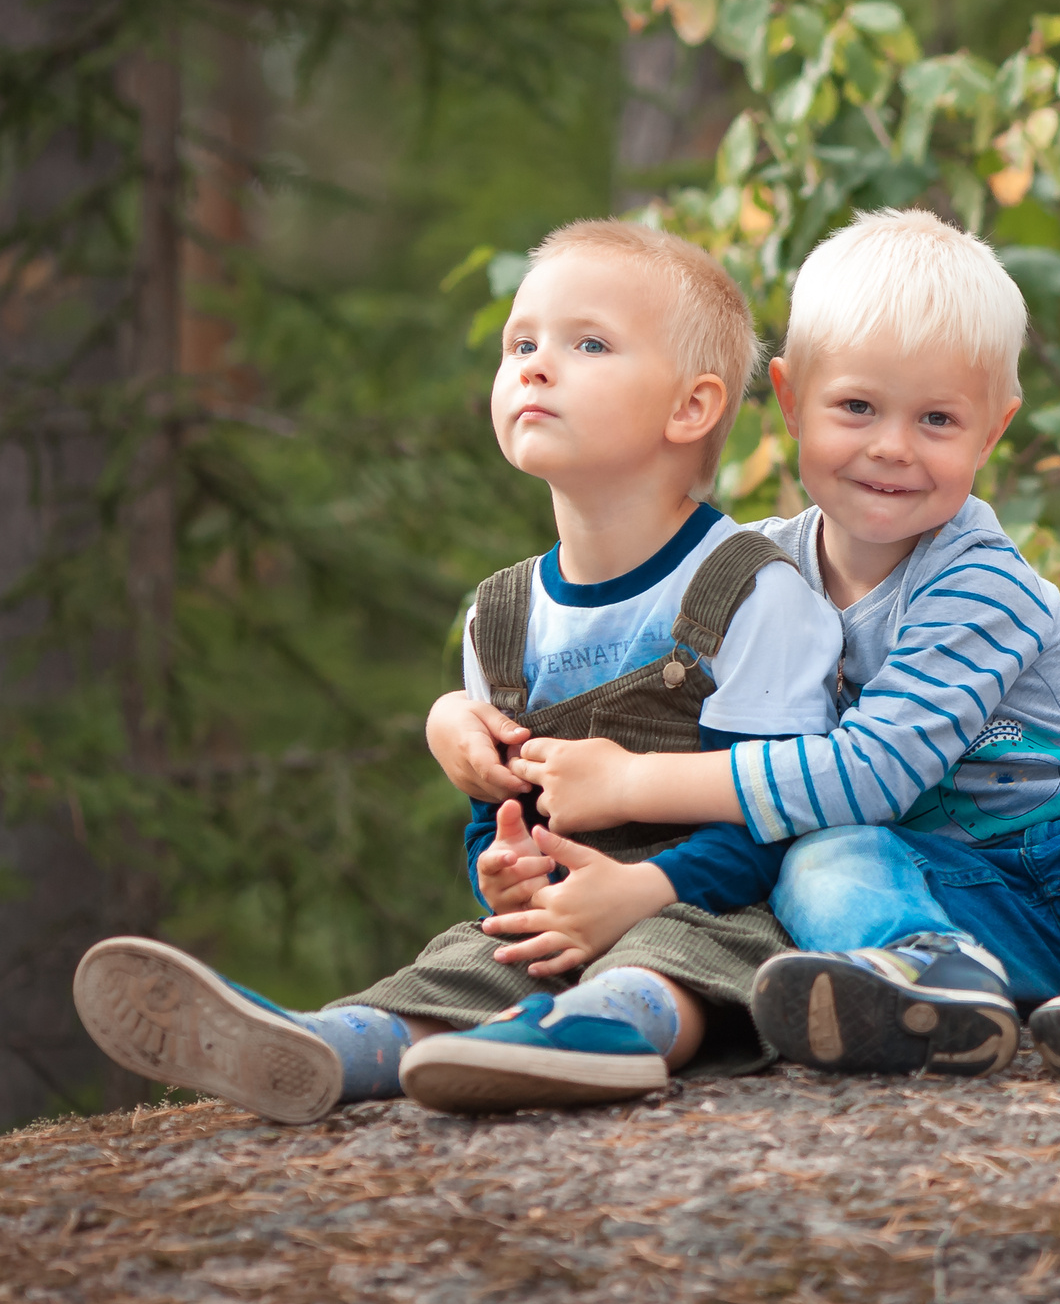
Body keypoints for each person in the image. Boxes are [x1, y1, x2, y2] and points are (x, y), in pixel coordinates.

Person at [429, 210, 1060, 1082]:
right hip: (964, 897)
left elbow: (874, 771)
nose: (892, 448)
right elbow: (615, 649)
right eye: (856, 406)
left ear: (993, 429)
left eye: (937, 420)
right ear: (788, 399)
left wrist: (631, 780)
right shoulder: (757, 573)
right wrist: (454, 720)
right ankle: (930, 975)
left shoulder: (980, 580)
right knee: (824, 856)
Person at [74, 220, 842, 1122]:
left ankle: (595, 1036)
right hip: (560, 910)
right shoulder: (503, 615)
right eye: (522, 342)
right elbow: (496, 814)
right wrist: (504, 870)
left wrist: (638, 890)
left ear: (692, 408)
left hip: (708, 895)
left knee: (669, 961)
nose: (535, 364)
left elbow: (774, 812)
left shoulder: (752, 590)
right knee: (465, 962)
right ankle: (326, 1045)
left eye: (587, 343)